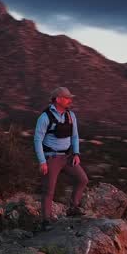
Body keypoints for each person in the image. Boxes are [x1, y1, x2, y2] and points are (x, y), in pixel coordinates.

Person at [34, 86, 88, 229]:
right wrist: (42, 161)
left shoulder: (71, 115)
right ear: (57, 99)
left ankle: (73, 208)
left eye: (70, 98)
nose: (70, 100)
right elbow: (37, 140)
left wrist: (76, 153)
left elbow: (75, 136)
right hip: (51, 158)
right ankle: (46, 221)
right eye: (67, 98)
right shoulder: (45, 117)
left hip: (67, 157)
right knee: (49, 190)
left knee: (82, 179)